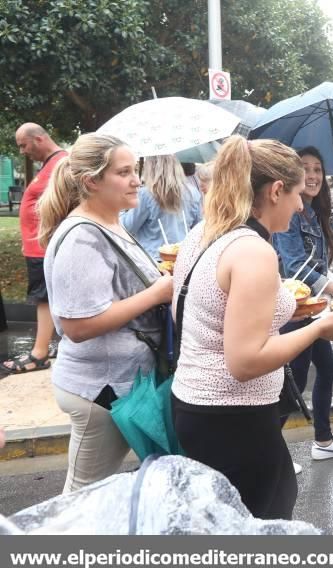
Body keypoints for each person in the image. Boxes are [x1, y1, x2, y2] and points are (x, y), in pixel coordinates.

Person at [170, 136, 333, 520]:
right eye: (295, 194)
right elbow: (244, 361)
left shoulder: (204, 232)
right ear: (276, 191)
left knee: (224, 523)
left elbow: (192, 314)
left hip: (197, 406)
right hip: (233, 417)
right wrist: (319, 328)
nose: (298, 205)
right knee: (259, 523)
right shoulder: (253, 251)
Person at [38, 133, 173, 491]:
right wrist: (156, 293)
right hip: (101, 389)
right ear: (91, 181)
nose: (137, 180)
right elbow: (78, 325)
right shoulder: (83, 237)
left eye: (137, 170)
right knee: (81, 497)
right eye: (124, 172)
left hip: (119, 381)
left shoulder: (110, 223)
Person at [271, 147, 333, 468]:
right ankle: (271, 455)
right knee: (292, 382)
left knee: (328, 369)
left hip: (314, 308)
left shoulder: (314, 212)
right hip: (294, 308)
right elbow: (294, 266)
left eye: (318, 169)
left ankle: (323, 441)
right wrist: (331, 285)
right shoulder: (291, 214)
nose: (312, 176)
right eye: (305, 169)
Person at [2, 124, 66, 375]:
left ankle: (38, 355)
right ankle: (52, 346)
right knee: (47, 297)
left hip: (45, 248)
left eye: (23, 145)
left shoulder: (61, 164)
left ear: (38, 139)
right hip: (38, 246)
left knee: (43, 299)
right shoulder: (50, 165)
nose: (22, 151)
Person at [121, 155, 203, 260]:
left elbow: (128, 226)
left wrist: (121, 210)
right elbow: (198, 227)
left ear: (151, 169)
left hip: (154, 257)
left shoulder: (146, 194)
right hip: (182, 256)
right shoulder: (192, 192)